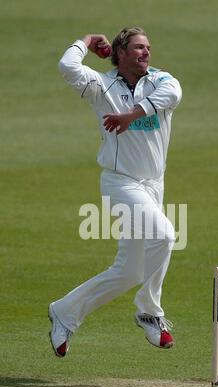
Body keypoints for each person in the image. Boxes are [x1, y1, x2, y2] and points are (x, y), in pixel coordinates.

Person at [49, 27, 182, 357]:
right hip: (121, 183)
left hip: (153, 186)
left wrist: (132, 115)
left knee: (130, 271)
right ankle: (149, 311)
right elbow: (67, 67)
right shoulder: (101, 85)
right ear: (120, 53)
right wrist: (85, 42)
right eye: (138, 47)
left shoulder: (162, 80)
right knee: (165, 235)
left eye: (148, 47)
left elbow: (173, 94)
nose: (146, 52)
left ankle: (63, 312)